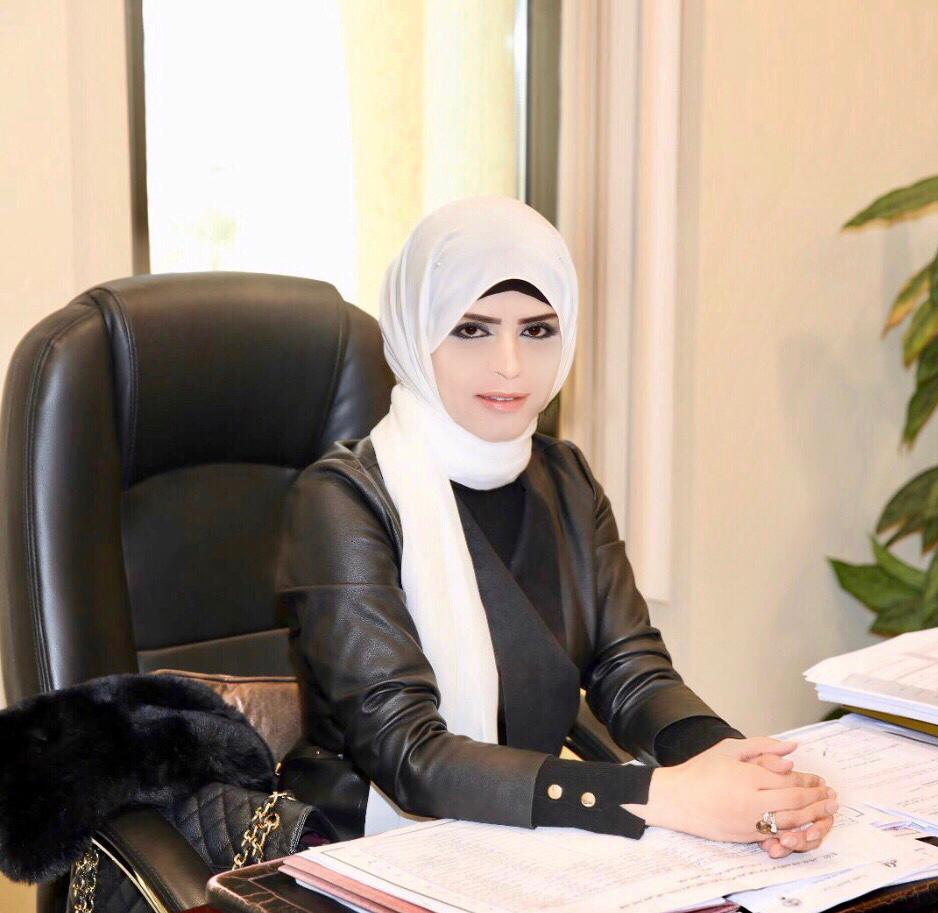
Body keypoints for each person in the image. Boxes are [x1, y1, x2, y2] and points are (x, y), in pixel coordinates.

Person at [276, 195, 837, 855]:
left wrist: (733, 768)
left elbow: (631, 669)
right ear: (415, 333)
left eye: (538, 330)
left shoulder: (564, 476)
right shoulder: (341, 498)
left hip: (533, 835)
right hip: (364, 848)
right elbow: (407, 753)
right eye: (471, 329)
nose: (511, 364)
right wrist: (660, 795)